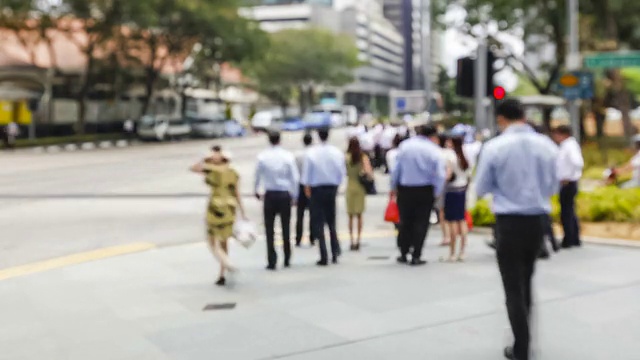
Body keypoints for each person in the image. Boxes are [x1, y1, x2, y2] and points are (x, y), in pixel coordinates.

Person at [475, 99, 558, 360]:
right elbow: (554, 187)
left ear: (501, 119)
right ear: (524, 115)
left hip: (509, 222)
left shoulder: (495, 147)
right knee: (526, 281)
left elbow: (481, 187)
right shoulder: (547, 146)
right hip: (537, 221)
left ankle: (521, 347)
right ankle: (524, 342)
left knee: (512, 287)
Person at [390, 124, 446, 266]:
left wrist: (393, 186)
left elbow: (396, 169)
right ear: (433, 136)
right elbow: (440, 174)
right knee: (421, 222)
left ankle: (403, 252)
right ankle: (416, 254)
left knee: (405, 221)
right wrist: (437, 192)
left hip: (405, 188)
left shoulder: (405, 146)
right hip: (425, 190)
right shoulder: (434, 150)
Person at [190, 148, 246, 286]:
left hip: (215, 207)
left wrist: (205, 159)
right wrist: (243, 212)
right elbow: (237, 192)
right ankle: (223, 272)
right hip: (229, 208)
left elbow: (193, 168)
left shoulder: (211, 169)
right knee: (224, 240)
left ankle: (226, 263)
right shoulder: (233, 172)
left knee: (211, 240)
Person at [255, 131, 299, 270]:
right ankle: (287, 257)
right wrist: (295, 195)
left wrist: (256, 190)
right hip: (284, 194)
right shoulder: (287, 156)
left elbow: (257, 175)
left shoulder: (263, 156)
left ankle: (271, 259)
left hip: (270, 194)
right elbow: (295, 177)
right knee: (286, 227)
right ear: (280, 140)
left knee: (270, 229)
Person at [302, 128, 346, 266]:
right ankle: (335, 252)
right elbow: (341, 171)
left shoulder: (312, 153)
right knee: (332, 222)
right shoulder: (336, 152)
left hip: (317, 189)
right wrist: (338, 185)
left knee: (319, 223)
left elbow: (306, 175)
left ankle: (323, 255)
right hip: (331, 188)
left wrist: (307, 188)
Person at [550, 125, 584, 249]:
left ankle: (569, 238)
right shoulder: (567, 145)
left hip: (568, 182)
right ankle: (573, 237)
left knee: (566, 212)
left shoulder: (569, 146)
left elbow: (577, 162)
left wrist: (568, 176)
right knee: (569, 210)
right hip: (567, 182)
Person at [442, 135, 471, 262]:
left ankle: (452, 253)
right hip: (462, 189)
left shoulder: (450, 156)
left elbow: (447, 175)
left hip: (451, 190)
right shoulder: (464, 156)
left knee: (452, 221)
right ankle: (462, 252)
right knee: (462, 220)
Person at [345, 137, 374, 251]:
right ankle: (358, 239)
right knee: (359, 215)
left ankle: (351, 240)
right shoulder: (362, 157)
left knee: (350, 216)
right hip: (360, 187)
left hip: (350, 186)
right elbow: (369, 172)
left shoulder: (346, 157)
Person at [295, 133, 314, 247]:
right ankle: (312, 237)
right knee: (313, 213)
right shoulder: (314, 154)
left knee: (300, 214)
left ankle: (298, 237)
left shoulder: (298, 155)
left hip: (301, 184)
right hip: (312, 185)